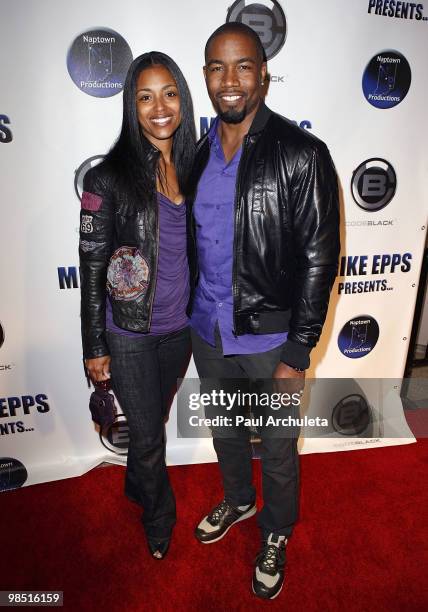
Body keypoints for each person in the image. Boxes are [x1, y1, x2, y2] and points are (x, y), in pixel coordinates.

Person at [187, 23, 340, 599]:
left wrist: (298, 353)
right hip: (207, 330)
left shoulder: (302, 154)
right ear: (205, 76)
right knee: (226, 432)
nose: (230, 81)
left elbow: (321, 258)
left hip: (271, 340)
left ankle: (275, 531)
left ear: (264, 75)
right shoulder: (196, 153)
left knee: (277, 451)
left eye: (242, 66)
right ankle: (238, 499)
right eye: (217, 68)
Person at [79, 52, 195, 560]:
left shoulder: (193, 164)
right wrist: (94, 345)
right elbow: (89, 268)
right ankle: (159, 519)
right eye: (144, 97)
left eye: (168, 93)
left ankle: (135, 486)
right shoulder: (106, 179)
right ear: (132, 105)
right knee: (149, 438)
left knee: (154, 424)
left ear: (183, 99)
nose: (159, 107)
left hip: (180, 331)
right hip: (128, 334)